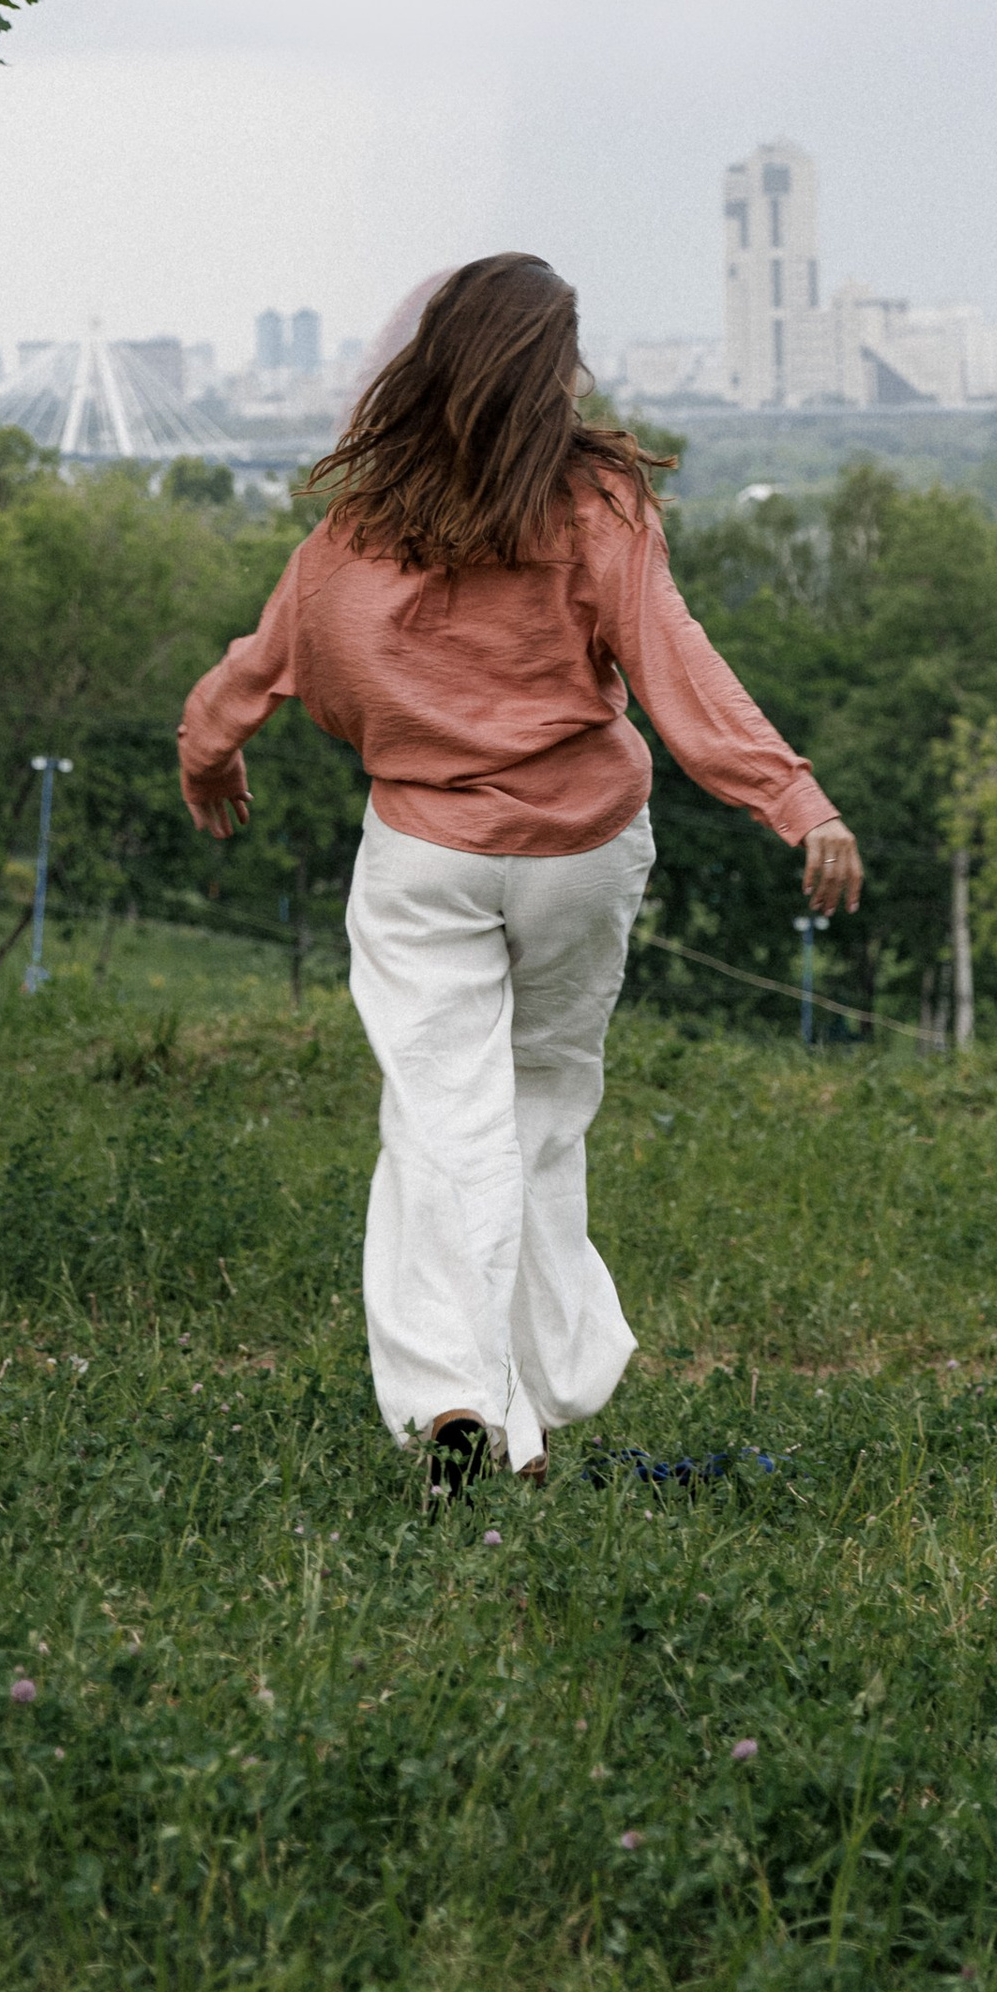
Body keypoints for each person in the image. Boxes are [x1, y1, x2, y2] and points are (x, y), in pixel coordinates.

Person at [176, 252, 860, 1494]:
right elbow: (675, 665)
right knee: (539, 1109)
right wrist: (793, 799)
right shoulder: (594, 500)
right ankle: (539, 1405)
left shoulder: (366, 514)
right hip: (581, 854)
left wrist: (209, 748)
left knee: (439, 1120)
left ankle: (455, 1400)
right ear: (554, 365)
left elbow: (272, 653)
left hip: (424, 857)